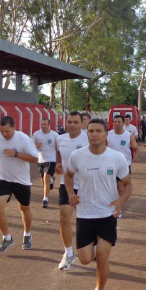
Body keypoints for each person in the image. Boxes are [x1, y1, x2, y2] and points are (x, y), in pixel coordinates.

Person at [65, 118, 132, 290]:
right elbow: (68, 176)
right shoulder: (77, 156)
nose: (93, 134)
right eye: (91, 131)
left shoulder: (116, 158)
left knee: (103, 257)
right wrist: (71, 194)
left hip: (107, 214)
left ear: (105, 134)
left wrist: (120, 201)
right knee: (86, 259)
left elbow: (127, 184)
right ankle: (94, 251)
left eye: (98, 131)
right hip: (85, 214)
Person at [0, 115, 39, 252]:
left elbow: (35, 159)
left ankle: (27, 234)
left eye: (7, 131)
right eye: (2, 131)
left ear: (13, 128)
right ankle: (7, 238)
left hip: (21, 180)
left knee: (24, 208)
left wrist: (16, 154)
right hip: (3, 179)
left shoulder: (23, 139)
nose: (4, 134)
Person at [55, 111, 88, 270]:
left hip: (87, 184)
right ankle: (68, 253)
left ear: (82, 123)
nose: (72, 125)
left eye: (75, 122)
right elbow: (59, 154)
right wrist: (58, 164)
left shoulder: (89, 138)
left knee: (86, 220)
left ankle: (92, 247)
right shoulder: (60, 139)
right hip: (66, 183)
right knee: (64, 218)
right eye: (69, 122)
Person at [32, 118, 59, 208]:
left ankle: (45, 199)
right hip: (40, 160)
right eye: (42, 124)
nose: (43, 126)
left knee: (46, 177)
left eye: (45, 124)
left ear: (49, 125)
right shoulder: (36, 134)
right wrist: (36, 146)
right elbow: (30, 147)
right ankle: (51, 180)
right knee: (44, 181)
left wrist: (59, 161)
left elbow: (59, 148)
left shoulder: (55, 135)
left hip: (51, 160)